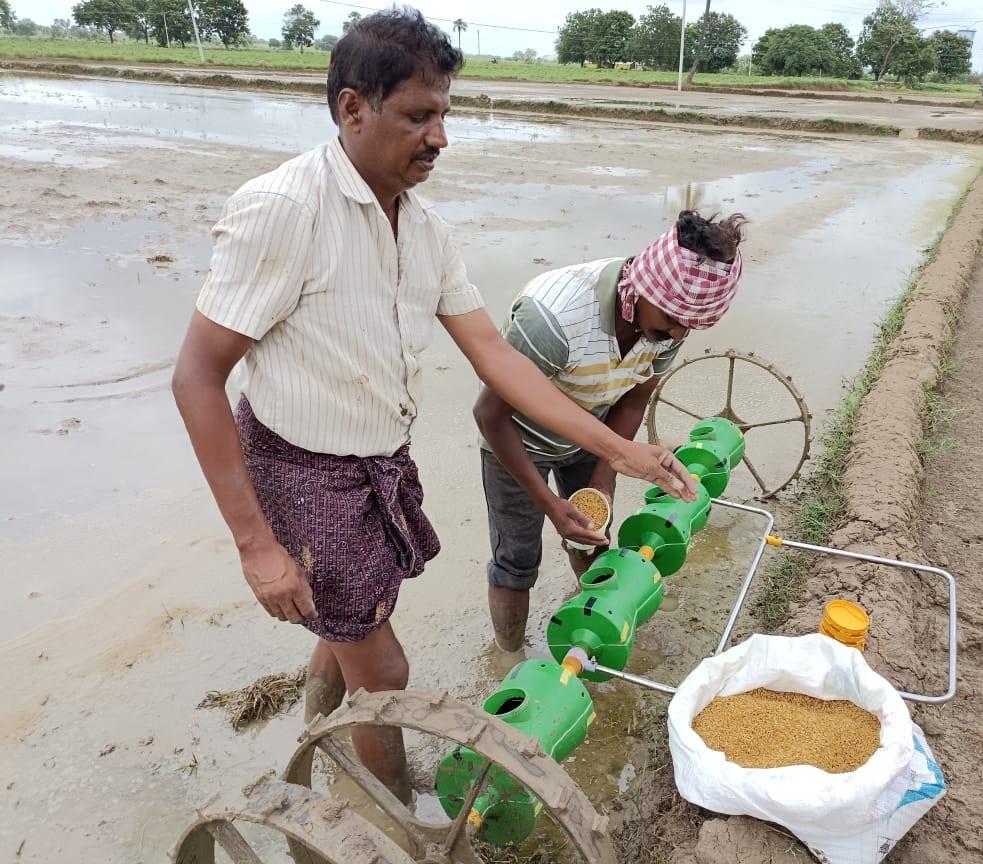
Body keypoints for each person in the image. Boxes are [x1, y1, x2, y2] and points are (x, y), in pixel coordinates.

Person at [170, 8, 693, 804]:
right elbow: (197, 378)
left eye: (444, 114)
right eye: (419, 116)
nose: (440, 137)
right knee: (386, 670)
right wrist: (257, 548)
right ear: (353, 108)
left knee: (348, 627)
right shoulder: (284, 210)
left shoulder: (425, 229)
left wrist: (621, 452)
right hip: (303, 471)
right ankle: (399, 816)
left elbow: (495, 355)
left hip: (379, 461)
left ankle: (314, 742)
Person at [475, 211, 747, 654]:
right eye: (674, 319)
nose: (678, 332)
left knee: (593, 538)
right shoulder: (555, 319)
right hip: (515, 443)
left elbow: (634, 398)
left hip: (593, 434)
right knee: (516, 562)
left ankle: (595, 631)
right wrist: (548, 504)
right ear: (643, 288)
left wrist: (603, 479)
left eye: (690, 325)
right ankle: (508, 658)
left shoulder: (669, 324)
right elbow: (489, 414)